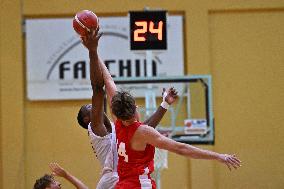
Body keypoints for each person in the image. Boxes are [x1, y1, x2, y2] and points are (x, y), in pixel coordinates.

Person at [76, 28, 178, 189]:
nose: (92, 105)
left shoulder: (121, 124)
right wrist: (92, 51)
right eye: (88, 107)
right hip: (113, 180)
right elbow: (97, 88)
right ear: (87, 119)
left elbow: (108, 80)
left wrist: (94, 50)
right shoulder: (96, 128)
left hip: (126, 179)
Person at [111, 91, 242, 189]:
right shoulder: (143, 132)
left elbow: (108, 81)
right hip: (140, 185)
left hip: (122, 184)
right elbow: (181, 148)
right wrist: (218, 156)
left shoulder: (118, 125)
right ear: (135, 109)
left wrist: (164, 104)